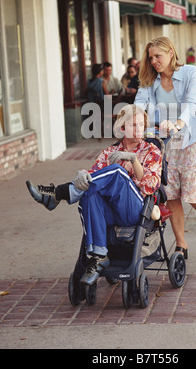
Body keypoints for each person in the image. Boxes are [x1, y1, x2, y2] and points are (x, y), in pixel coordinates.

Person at [26, 105, 162, 285]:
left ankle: (58, 194)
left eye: (142, 125)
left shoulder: (151, 151)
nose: (140, 129)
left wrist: (133, 159)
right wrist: (82, 174)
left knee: (117, 172)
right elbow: (93, 175)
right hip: (111, 213)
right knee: (90, 193)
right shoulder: (109, 152)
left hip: (136, 209)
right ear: (122, 128)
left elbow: (151, 186)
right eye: (134, 125)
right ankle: (98, 257)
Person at [135, 36, 196, 257]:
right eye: (151, 58)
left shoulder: (189, 72)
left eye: (158, 56)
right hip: (164, 141)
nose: (154, 61)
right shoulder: (150, 79)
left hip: (191, 137)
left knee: (193, 194)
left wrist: (178, 123)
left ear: (170, 53)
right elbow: (140, 102)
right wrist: (133, 119)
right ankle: (181, 243)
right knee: (172, 193)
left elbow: (192, 103)